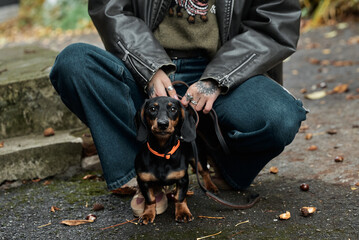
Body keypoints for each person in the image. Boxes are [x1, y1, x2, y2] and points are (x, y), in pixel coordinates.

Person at [50, 0, 307, 217]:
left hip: (223, 67)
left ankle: (221, 161)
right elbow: (110, 7)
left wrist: (217, 79)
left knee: (281, 117)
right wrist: (150, 68)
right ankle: (140, 174)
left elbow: (276, 22)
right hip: (144, 63)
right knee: (74, 62)